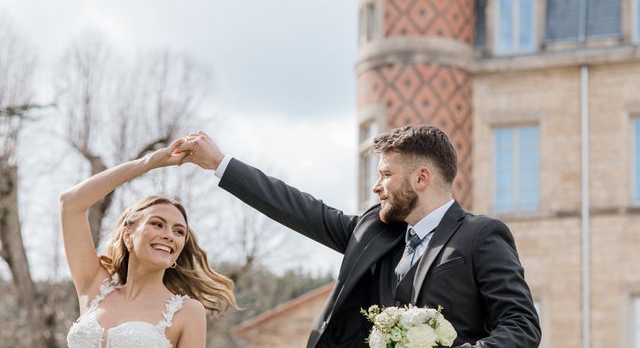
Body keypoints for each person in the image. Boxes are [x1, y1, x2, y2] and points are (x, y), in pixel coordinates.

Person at [176, 126, 541, 347]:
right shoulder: (372, 231)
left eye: (385, 174)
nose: (375, 186)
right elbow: (298, 208)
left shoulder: (481, 235)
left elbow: (521, 325)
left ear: (421, 178)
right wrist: (219, 163)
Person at [61, 139, 236, 348]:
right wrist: (147, 163)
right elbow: (70, 203)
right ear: (128, 235)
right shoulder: (94, 286)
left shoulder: (188, 312)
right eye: (157, 224)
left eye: (178, 231)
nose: (169, 235)